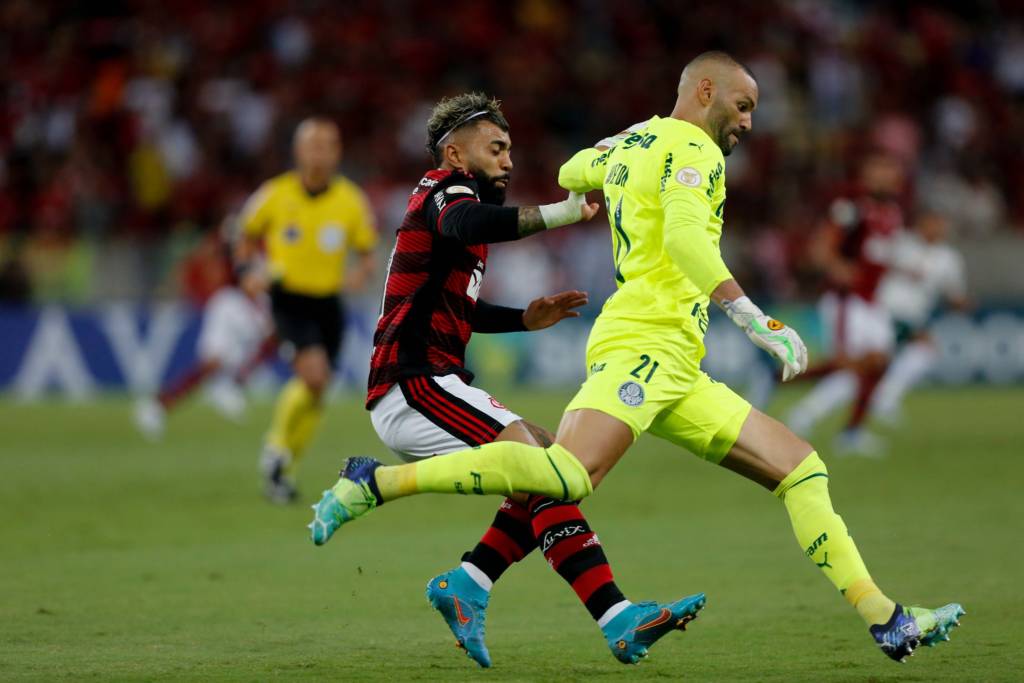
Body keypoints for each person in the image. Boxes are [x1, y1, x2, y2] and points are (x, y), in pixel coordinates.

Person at [311, 52, 963, 663]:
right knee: (562, 475)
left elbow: (572, 171)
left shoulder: (643, 142)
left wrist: (627, 140)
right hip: (641, 347)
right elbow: (682, 236)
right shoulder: (695, 151)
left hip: (678, 364)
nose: (747, 122)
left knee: (800, 468)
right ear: (704, 92)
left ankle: (886, 616)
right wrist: (752, 315)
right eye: (741, 105)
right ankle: (376, 483)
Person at [314, 93, 703, 667]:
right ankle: (372, 483)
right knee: (549, 469)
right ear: (455, 152)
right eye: (496, 148)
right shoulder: (442, 189)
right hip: (413, 382)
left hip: (432, 383)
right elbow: (464, 219)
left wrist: (523, 318)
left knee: (550, 462)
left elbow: (455, 306)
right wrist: (563, 212)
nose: (508, 160)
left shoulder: (463, 225)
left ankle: (472, 583)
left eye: (511, 150)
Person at [236, 118, 378, 502]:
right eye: (312, 145)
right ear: (298, 152)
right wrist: (248, 271)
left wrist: (359, 273)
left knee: (318, 391)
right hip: (288, 299)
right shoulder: (274, 194)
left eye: (328, 145)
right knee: (314, 377)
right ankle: (276, 445)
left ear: (337, 152)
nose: (320, 152)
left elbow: (367, 252)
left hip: (330, 301)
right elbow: (243, 236)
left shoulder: (351, 200)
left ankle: (283, 471)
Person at [786, 151, 907, 453]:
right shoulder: (852, 208)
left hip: (871, 302)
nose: (885, 177)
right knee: (850, 366)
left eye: (890, 171)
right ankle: (785, 389)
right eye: (879, 169)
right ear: (866, 175)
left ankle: (850, 432)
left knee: (876, 364)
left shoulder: (892, 213)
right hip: (846, 301)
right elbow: (820, 248)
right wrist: (837, 266)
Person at [134, 238, 275, 440]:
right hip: (225, 356)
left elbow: (269, 336)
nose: (259, 282)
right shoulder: (227, 301)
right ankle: (158, 406)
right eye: (254, 278)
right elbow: (215, 345)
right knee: (211, 365)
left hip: (240, 364)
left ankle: (231, 387)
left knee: (278, 340)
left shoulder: (264, 303)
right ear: (243, 280)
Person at [870, 210, 967, 423]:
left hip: (913, 317)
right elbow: (872, 257)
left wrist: (960, 302)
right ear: (921, 224)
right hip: (883, 311)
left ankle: (884, 399)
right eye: (932, 223)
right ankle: (882, 400)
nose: (938, 229)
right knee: (867, 367)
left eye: (941, 225)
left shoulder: (949, 258)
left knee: (924, 352)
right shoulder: (900, 243)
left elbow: (955, 293)